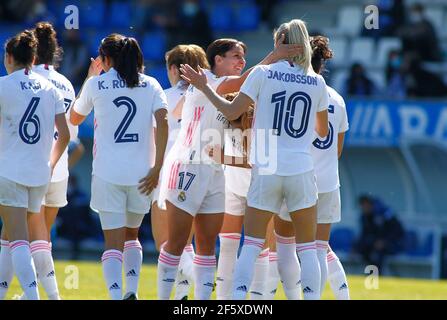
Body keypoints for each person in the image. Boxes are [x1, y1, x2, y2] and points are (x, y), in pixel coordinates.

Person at [180, 18, 329, 300]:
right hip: (300, 168)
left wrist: (204, 86)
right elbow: (322, 130)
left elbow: (233, 111)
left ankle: (237, 300)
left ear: (280, 43)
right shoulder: (317, 81)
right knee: (307, 248)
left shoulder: (262, 73)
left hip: (267, 168)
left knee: (251, 244)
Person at [156, 37, 302, 300]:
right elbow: (243, 80)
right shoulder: (209, 80)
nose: (241, 61)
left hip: (215, 171)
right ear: (217, 60)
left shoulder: (224, 92)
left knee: (207, 246)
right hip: (189, 165)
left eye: (243, 56)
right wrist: (275, 55)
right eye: (235, 56)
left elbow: (181, 109)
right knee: (176, 243)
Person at [70, 33, 169, 300]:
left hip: (107, 173)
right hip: (143, 174)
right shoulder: (151, 84)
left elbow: (74, 117)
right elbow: (164, 123)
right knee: (132, 236)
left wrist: (91, 76)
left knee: (112, 243)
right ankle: (132, 291)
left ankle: (116, 296)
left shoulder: (97, 85)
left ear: (106, 58)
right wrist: (158, 167)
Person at [0, 30, 69, 300]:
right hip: (40, 172)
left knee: (17, 238)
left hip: (10, 170)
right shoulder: (50, 88)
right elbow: (63, 135)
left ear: (9, 58)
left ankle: (32, 296)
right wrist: (50, 164)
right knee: (9, 236)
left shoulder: (3, 85)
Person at [151, 44, 210, 300]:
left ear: (174, 68)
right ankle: (182, 298)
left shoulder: (163, 97)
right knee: (185, 244)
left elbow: (152, 139)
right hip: (203, 171)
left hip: (170, 170)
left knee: (166, 244)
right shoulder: (211, 94)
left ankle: (202, 278)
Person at [354, 195, 405, 272]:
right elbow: (364, 234)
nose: (364, 208)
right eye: (362, 206)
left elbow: (398, 231)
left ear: (370, 204)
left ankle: (378, 275)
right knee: (364, 248)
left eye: (365, 205)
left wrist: (384, 242)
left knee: (378, 254)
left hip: (393, 243)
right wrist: (355, 247)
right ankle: (371, 274)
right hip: (375, 244)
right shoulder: (365, 217)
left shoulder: (385, 213)